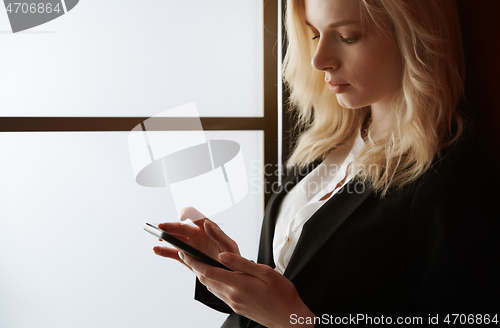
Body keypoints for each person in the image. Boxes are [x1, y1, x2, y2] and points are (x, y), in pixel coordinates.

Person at [153, 0, 500, 326]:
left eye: (347, 37)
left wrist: (296, 321)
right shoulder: (324, 146)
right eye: (315, 34)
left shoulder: (453, 177)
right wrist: (230, 271)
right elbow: (294, 290)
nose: (319, 60)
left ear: (411, 37)